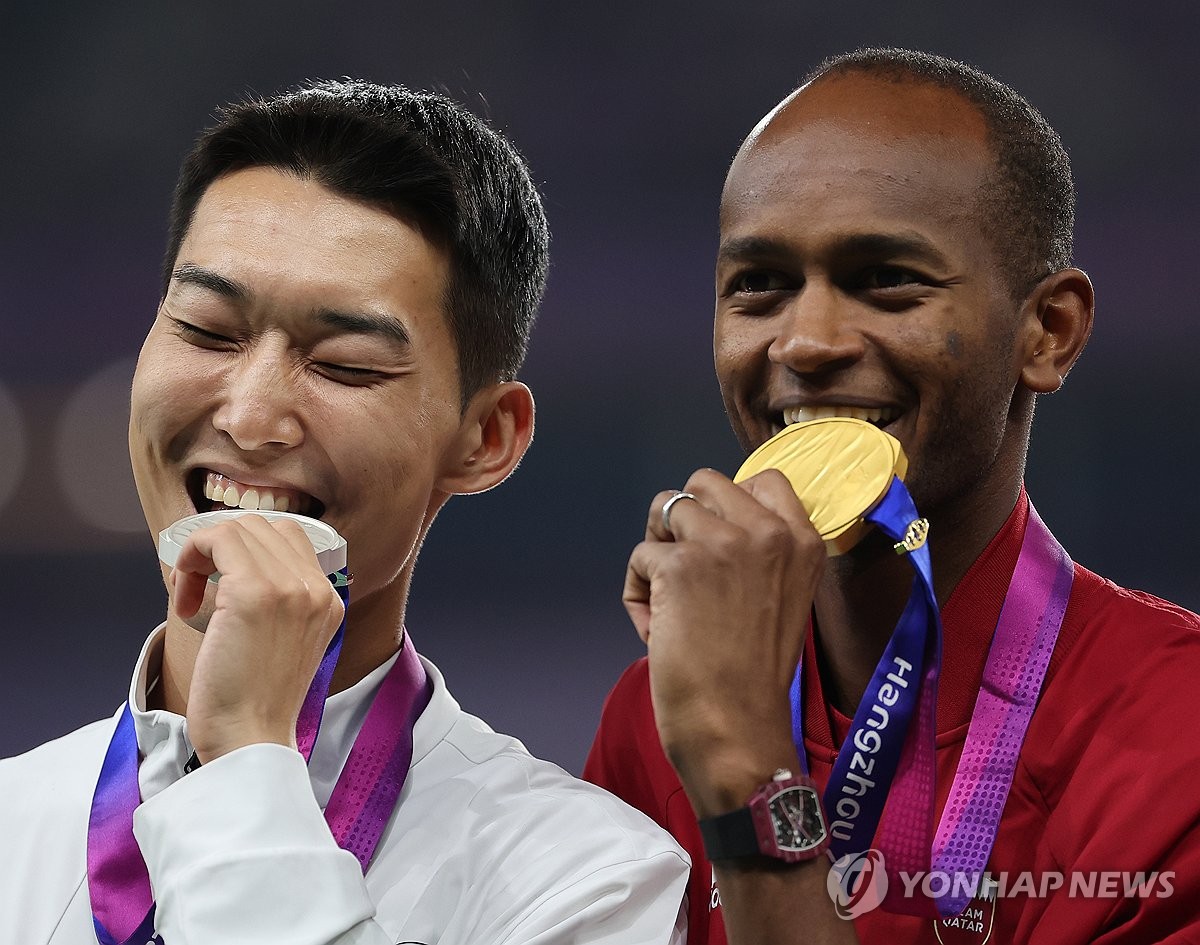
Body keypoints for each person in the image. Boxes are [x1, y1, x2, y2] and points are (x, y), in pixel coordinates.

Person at [0, 79, 688, 944]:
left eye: (347, 365)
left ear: (486, 437)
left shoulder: (586, 882)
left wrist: (248, 753)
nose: (249, 417)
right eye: (209, 330)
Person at [584, 47, 1200, 945]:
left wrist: (750, 775)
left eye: (886, 280)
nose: (808, 340)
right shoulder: (656, 714)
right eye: (759, 285)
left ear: (1049, 332)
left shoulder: (1178, 731)